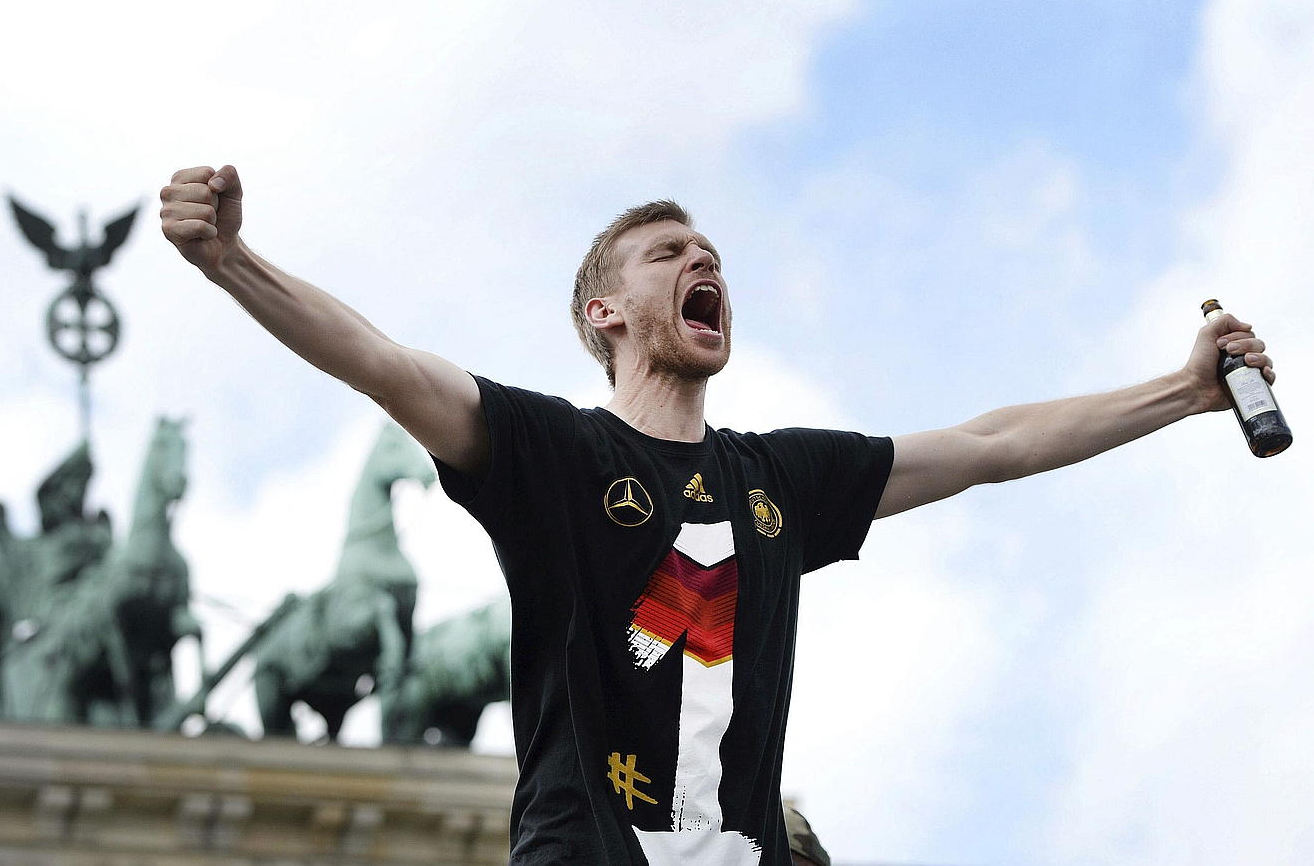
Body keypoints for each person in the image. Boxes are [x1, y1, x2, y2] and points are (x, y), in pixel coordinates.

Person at [159, 165, 1277, 865]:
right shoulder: (556, 454)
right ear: (606, 311)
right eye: (666, 254)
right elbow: (383, 366)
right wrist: (230, 261)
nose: (703, 262)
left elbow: (987, 447)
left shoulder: (775, 483)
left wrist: (1177, 393)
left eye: (711, 256)